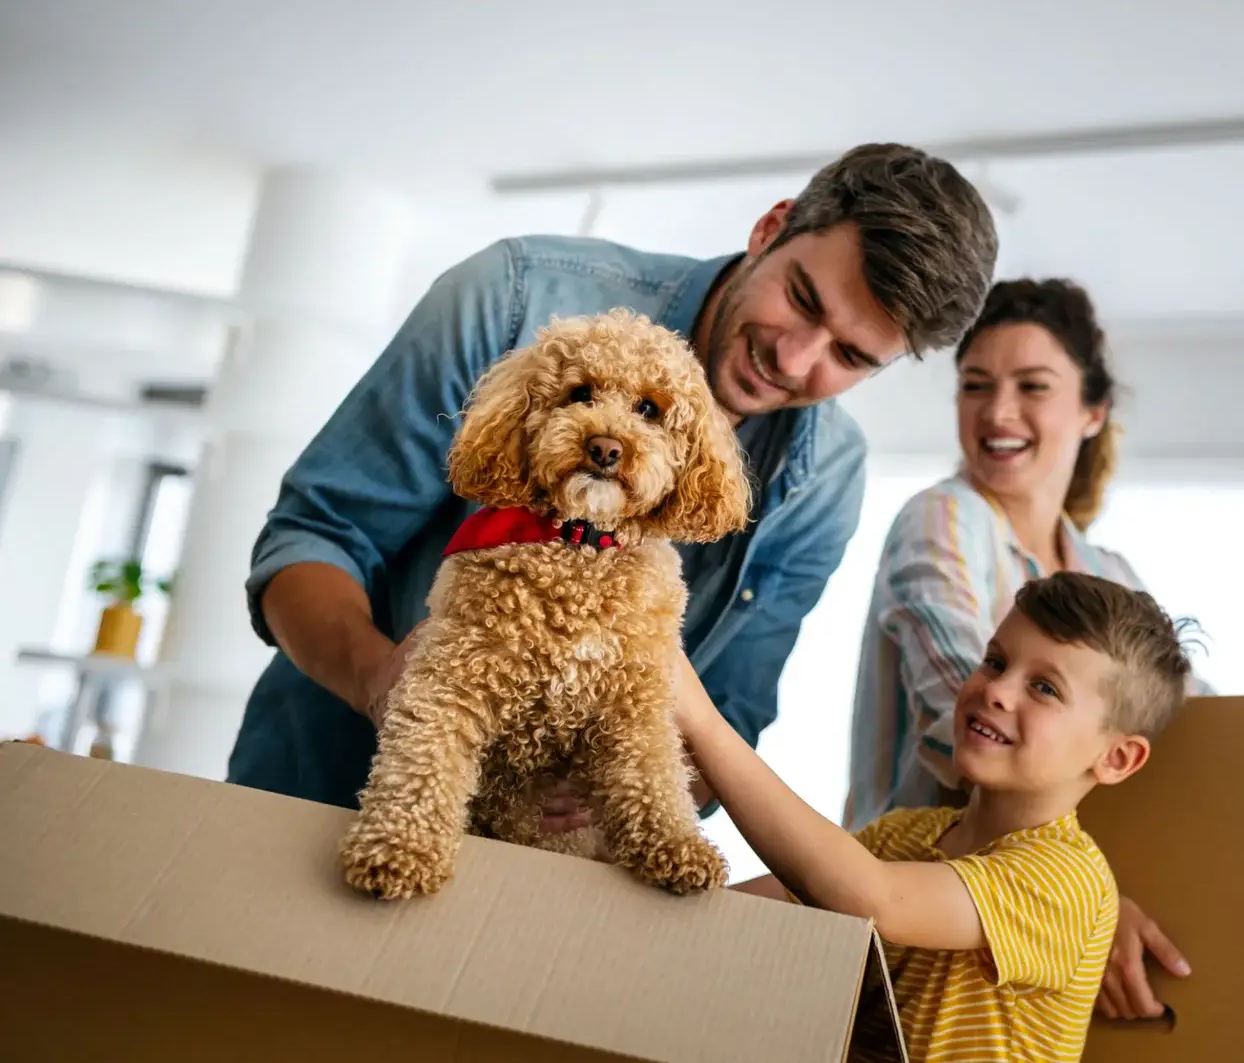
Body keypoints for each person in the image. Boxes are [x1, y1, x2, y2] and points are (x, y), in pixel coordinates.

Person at [225, 143, 999, 824]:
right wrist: (381, 679)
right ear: (771, 227)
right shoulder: (511, 299)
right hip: (318, 796)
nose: (795, 360)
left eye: (852, 358)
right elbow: (314, 537)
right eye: (801, 298)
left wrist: (624, 786)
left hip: (539, 883)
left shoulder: (829, 477)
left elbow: (731, 710)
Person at [843, 277, 1203, 1020]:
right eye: (975, 385)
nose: (998, 412)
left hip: (1022, 941)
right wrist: (1084, 900)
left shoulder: (1112, 576)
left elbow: (1196, 733)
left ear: (1092, 411)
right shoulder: (944, 518)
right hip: (904, 908)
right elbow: (961, 715)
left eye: (1031, 386)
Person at [674, 571, 1195, 1063]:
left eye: (1045, 688)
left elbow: (876, 899)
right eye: (995, 661)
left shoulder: (1067, 878)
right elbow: (736, 912)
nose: (997, 689)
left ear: (1116, 758)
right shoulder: (904, 835)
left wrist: (700, 719)